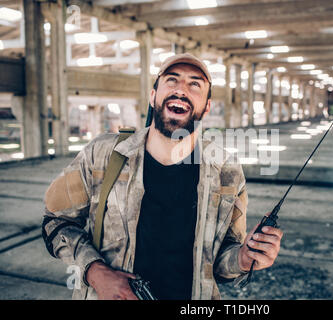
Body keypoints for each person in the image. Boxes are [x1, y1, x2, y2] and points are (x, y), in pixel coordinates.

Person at [42, 53, 283, 300]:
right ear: (152, 95)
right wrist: (95, 272)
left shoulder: (226, 171)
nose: (181, 90)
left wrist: (243, 258)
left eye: (195, 84)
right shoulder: (102, 154)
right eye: (172, 80)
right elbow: (55, 222)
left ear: (206, 106)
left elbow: (217, 262)